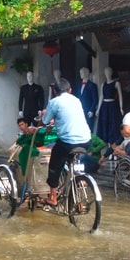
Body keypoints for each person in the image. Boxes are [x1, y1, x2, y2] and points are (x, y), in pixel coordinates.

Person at [40, 77, 91, 206]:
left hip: (68, 143)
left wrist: (44, 114)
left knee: (54, 166)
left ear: (55, 91)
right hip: (86, 140)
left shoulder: (54, 102)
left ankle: (53, 198)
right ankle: (78, 180)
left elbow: (45, 121)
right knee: (72, 160)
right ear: (70, 90)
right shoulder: (77, 100)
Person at [97, 66, 124, 145]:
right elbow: (101, 96)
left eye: (109, 72)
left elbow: (120, 96)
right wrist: (98, 109)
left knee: (113, 124)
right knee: (105, 123)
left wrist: (121, 107)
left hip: (112, 106)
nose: (107, 74)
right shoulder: (103, 84)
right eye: (106, 72)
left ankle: (113, 144)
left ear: (111, 73)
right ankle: (107, 143)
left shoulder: (116, 83)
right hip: (104, 106)